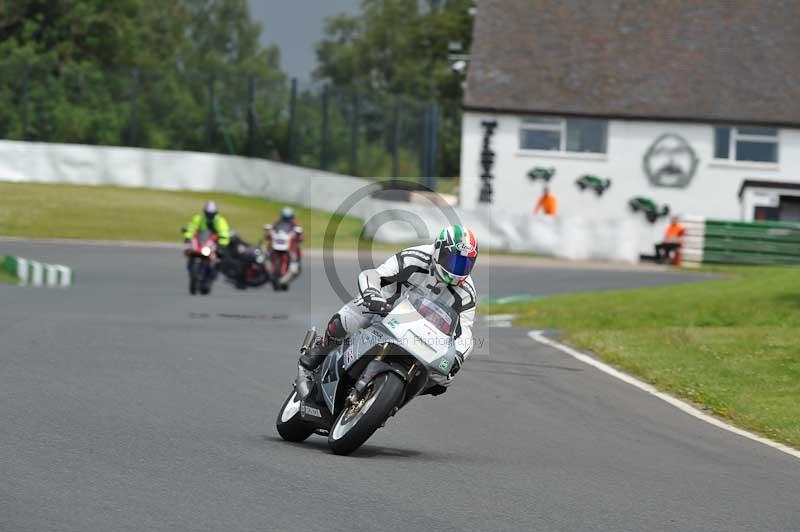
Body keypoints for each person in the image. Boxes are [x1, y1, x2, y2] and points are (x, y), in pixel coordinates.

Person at [295, 225, 479, 399]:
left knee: (443, 380)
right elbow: (374, 275)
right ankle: (320, 352)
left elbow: (465, 332)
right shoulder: (415, 257)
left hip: (423, 333)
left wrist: (457, 356)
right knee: (349, 317)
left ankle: (392, 397)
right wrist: (372, 295)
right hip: (385, 309)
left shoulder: (467, 292)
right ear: (438, 251)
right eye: (454, 261)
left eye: (465, 264)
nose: (458, 269)